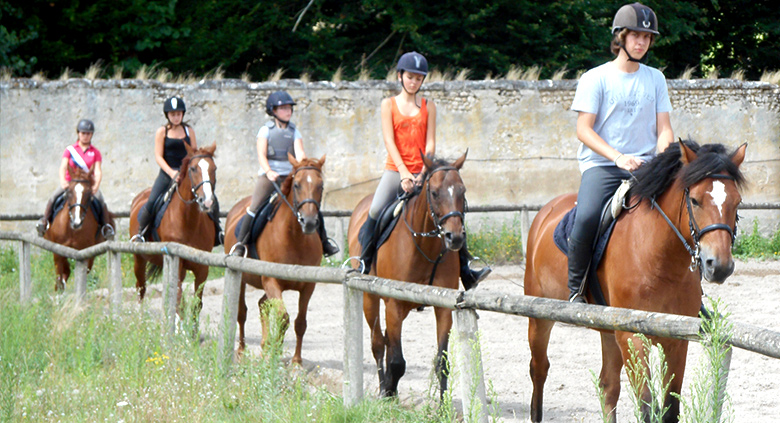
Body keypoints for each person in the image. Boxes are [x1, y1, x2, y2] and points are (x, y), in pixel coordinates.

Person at [567, 2, 674, 303]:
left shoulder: (656, 79)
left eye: (647, 37)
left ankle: (693, 292)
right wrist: (618, 157)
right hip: (603, 165)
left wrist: (666, 161)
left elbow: (664, 128)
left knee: (679, 211)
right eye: (635, 36)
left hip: (645, 166)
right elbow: (584, 130)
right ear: (621, 38)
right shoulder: (595, 78)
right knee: (587, 217)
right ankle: (576, 289)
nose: (641, 42)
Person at [356, 51, 490, 289]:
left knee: (452, 212)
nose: (414, 82)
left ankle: (466, 271)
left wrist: (421, 175)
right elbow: (389, 141)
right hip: (396, 170)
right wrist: (404, 173)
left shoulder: (429, 106)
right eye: (410, 77)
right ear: (400, 76)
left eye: (419, 78)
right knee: (376, 210)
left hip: (426, 172)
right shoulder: (388, 105)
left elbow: (430, 144)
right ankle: (363, 262)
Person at [231, 91, 340, 257]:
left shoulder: (294, 131)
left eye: (289, 108)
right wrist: (268, 171)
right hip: (270, 176)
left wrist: (304, 166)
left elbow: (300, 152)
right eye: (283, 108)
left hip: (291, 175)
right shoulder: (265, 130)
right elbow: (261, 155)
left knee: (311, 205)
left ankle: (325, 243)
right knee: (254, 207)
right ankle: (241, 244)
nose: (288, 111)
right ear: (273, 110)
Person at [132, 96, 223, 243]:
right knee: (152, 201)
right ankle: (141, 233)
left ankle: (218, 232)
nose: (176, 117)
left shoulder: (189, 131)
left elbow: (195, 155)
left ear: (183, 114)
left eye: (179, 114)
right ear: (167, 115)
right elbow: (158, 156)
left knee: (211, 197)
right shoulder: (162, 132)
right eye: (173, 114)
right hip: (168, 172)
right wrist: (171, 172)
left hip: (187, 173)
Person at [36, 119, 114, 238]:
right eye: (83, 133)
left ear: (91, 135)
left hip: (87, 185)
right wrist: (63, 181)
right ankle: (44, 222)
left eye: (88, 133)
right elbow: (63, 167)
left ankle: (106, 227)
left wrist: (96, 186)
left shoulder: (95, 152)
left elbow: (98, 171)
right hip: (70, 183)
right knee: (54, 197)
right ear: (78, 133)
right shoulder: (70, 150)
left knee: (100, 200)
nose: (85, 136)